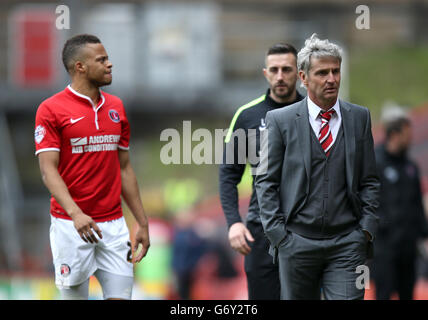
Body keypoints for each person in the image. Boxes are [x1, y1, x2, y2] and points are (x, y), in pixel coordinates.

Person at [255, 34, 380, 300]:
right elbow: (265, 181)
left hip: (347, 243)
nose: (332, 79)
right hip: (296, 242)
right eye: (323, 73)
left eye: (335, 71)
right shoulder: (279, 121)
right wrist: (280, 236)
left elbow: (369, 179)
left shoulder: (359, 117)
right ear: (303, 78)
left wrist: (366, 229)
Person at [34, 34, 150, 300]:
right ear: (80, 67)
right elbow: (47, 170)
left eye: (107, 58)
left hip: (113, 225)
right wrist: (76, 214)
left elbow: (125, 168)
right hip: (71, 225)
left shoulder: (116, 107)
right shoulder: (50, 109)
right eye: (102, 60)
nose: (110, 64)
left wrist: (142, 222)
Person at [219, 43, 304, 299]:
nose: (280, 76)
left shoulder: (313, 113)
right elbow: (228, 175)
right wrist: (234, 222)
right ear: (265, 73)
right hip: (261, 229)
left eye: (286, 69)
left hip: (305, 230)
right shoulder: (246, 116)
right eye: (274, 70)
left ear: (299, 73)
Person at [372, 106, 428, 300]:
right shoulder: (375, 163)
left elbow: (417, 204)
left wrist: (423, 232)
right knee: (384, 294)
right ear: (394, 134)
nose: (411, 138)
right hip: (384, 247)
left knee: (407, 294)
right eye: (407, 134)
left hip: (408, 247)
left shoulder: (410, 167)